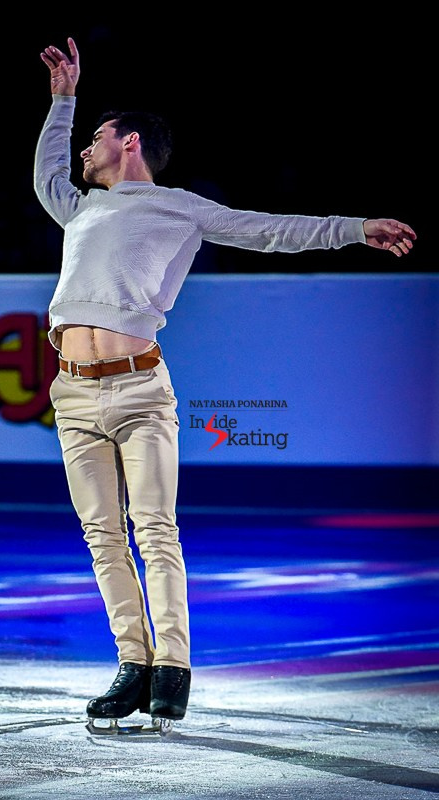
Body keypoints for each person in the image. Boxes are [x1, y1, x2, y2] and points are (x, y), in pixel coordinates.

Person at [35, 37, 416, 727]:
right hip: (72, 394)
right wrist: (63, 103)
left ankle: (172, 667)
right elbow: (44, 178)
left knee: (154, 527)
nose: (83, 151)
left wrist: (356, 228)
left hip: (140, 392)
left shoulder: (179, 207)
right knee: (101, 535)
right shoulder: (81, 210)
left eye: (94, 137)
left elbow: (270, 231)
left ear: (130, 143)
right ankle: (133, 663)